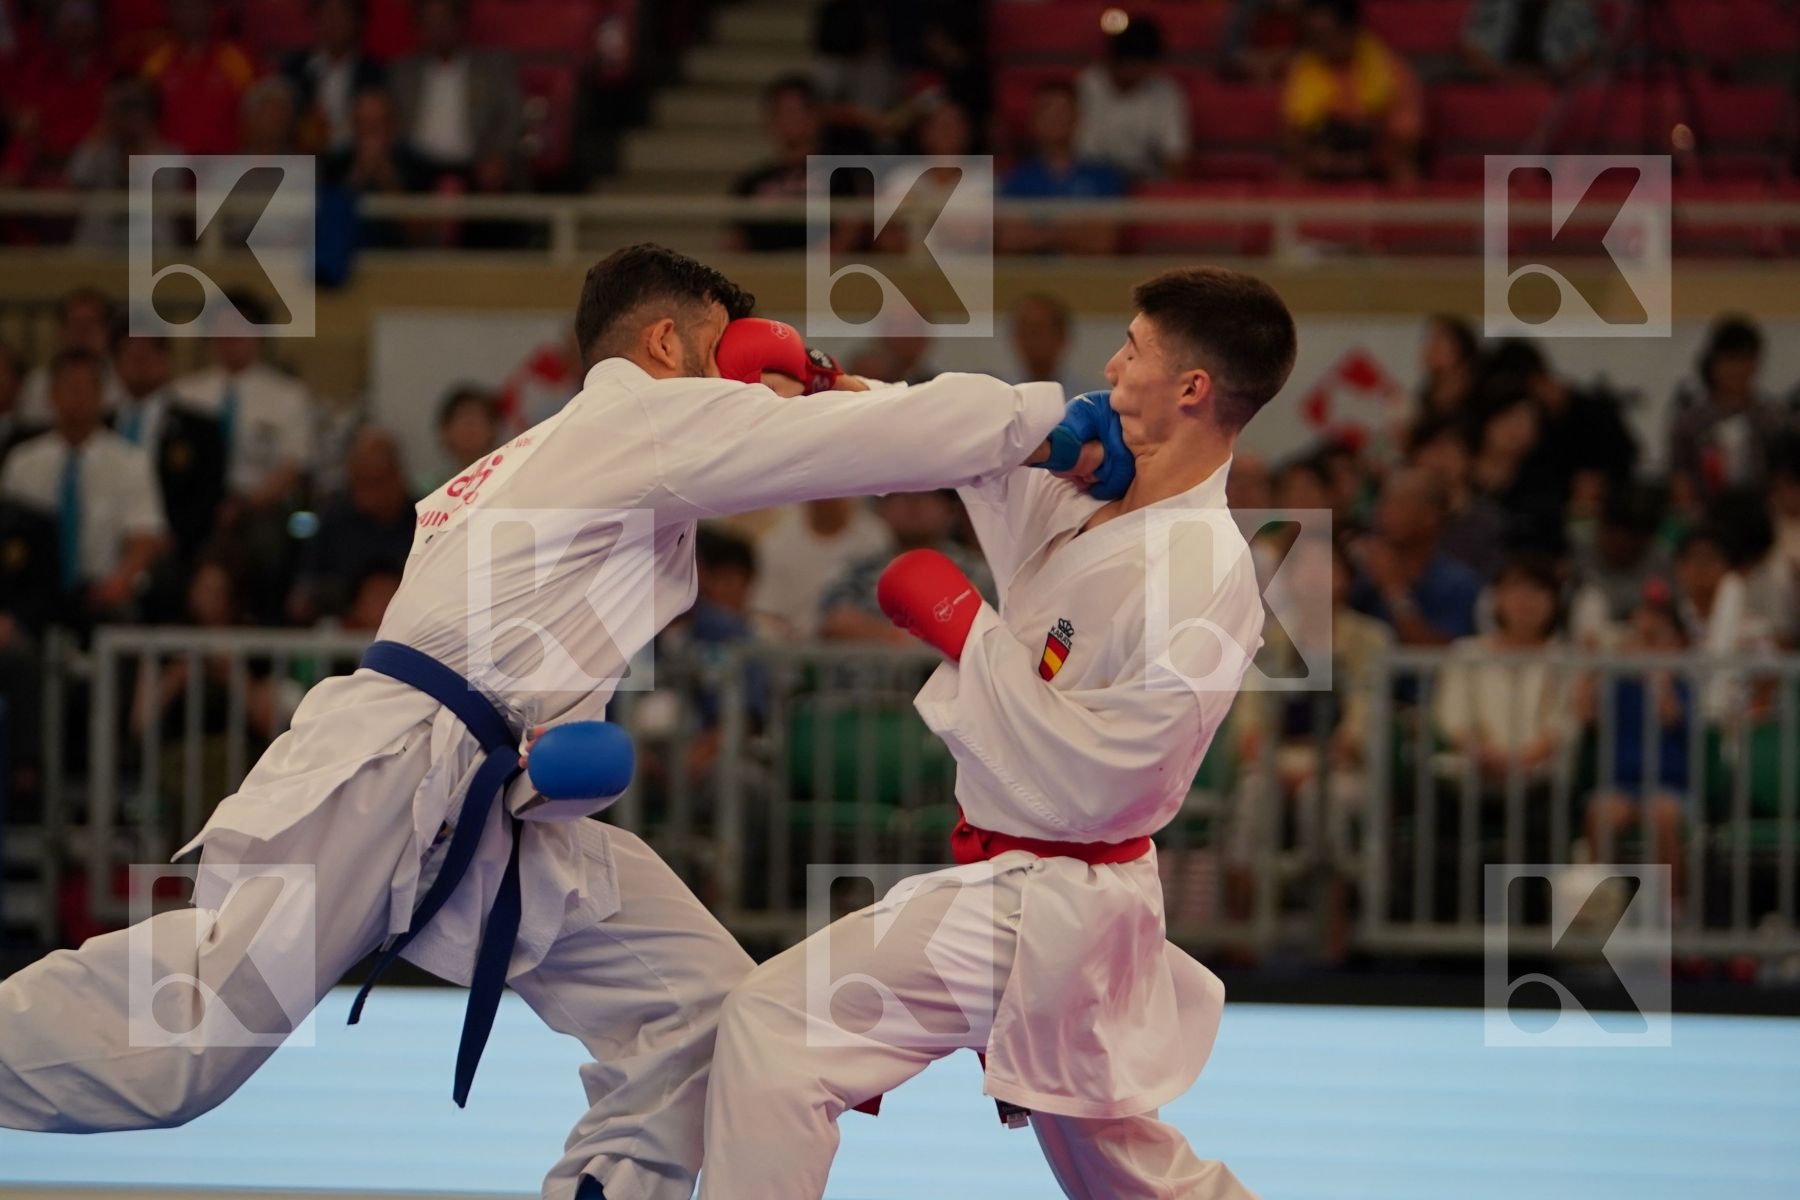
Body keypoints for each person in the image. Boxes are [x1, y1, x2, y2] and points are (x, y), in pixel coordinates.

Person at [0, 244, 1066, 1200]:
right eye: (723, 348)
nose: (742, 378)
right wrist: (1046, 426)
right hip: (390, 770)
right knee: (186, 1048)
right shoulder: (644, 417)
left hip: (488, 802)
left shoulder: (543, 453)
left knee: (700, 1010)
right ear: (666, 341)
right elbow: (885, 440)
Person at [699, 265, 1296, 1200]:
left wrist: (968, 635)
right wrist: (825, 389)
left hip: (1058, 898)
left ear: (1191, 387)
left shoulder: (1204, 571)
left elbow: (1114, 783)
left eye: (1132, 348)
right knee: (1127, 1172)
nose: (1111, 365)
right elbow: (960, 449)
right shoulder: (1092, 492)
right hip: (1022, 884)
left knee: (777, 1026)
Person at [0, 348, 168, 626]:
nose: (77, 397)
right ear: (52, 395)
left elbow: (144, 534)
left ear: (101, 395)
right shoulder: (23, 461)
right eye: (69, 388)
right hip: (32, 595)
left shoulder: (130, 461)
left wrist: (122, 580)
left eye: (85, 388)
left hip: (101, 590)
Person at [1281, 0, 1421, 183]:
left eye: (1325, 33)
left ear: (1350, 30)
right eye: (1313, 35)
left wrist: (1369, 159)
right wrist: (1320, 158)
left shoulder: (1390, 68)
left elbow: (1407, 137)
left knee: (1404, 170)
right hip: (1322, 159)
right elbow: (1293, 134)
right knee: (1292, 174)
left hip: (1376, 159)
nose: (1319, 42)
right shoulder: (1303, 70)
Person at [390, 0, 523, 191]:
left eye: (443, 19)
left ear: (460, 21)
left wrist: (498, 155)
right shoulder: (402, 72)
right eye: (429, 21)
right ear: (418, 25)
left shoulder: (493, 67)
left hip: (475, 165)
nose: (437, 28)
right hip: (416, 168)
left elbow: (512, 118)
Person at [1348, 466, 1483, 644]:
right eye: (1382, 502)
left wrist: (1394, 592)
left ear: (1430, 516)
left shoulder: (1458, 584)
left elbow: (1444, 654)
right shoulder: (1358, 571)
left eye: (1397, 504)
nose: (1381, 512)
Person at [998, 80, 1126, 256]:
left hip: (1085, 272)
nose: (1056, 118)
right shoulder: (1015, 178)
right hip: (1031, 272)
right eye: (1048, 110)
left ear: (1078, 118)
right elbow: (1010, 240)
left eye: (1063, 111)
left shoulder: (1103, 177)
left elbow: (1103, 242)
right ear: (1034, 120)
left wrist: (1039, 231)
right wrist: (1074, 231)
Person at [748, 498, 893, 641]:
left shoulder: (876, 537)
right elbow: (766, 613)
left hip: (860, 645)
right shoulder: (774, 546)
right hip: (794, 646)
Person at [1074, 15, 1190, 179]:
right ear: (1112, 60)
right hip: (1087, 179)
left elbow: (1175, 156)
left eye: (1142, 65)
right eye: (1129, 63)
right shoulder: (1086, 86)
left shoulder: (1166, 93)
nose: (1135, 71)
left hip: (1142, 180)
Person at [139, 0, 260, 157]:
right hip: (169, 164)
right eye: (184, 7)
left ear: (211, 12)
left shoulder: (236, 60)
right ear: (171, 13)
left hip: (225, 163)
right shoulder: (155, 63)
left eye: (197, 7)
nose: (191, 13)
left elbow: (254, 117)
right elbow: (142, 119)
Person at [282, 0, 386, 155]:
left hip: (356, 158)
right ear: (314, 20)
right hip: (303, 155)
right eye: (326, 14)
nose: (333, 22)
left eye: (341, 14)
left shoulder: (374, 72)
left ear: (357, 22)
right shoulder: (294, 69)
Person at [16, 287, 126, 424]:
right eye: (74, 323)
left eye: (90, 323)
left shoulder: (124, 380)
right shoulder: (38, 382)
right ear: (61, 330)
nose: (82, 331)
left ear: (107, 330)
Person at [1461, 0, 1599, 82]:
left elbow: (1586, 52)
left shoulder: (1574, 6)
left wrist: (1549, 77)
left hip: (1556, 84)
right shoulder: (1495, 4)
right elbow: (1471, 46)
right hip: (1496, 79)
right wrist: (1502, 75)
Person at [1007, 292, 1080, 394]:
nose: (1029, 339)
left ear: (1062, 336)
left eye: (1036, 330)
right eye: (1023, 330)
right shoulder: (1000, 394)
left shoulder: (1088, 398)